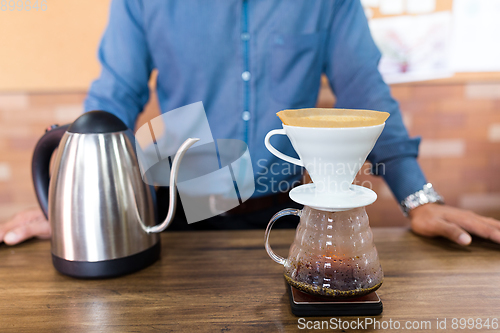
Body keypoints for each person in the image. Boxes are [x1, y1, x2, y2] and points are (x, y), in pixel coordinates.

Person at [1, 0, 499, 246]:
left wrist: (418, 198)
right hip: (172, 207)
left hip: (286, 211)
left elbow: (366, 96)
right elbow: (114, 97)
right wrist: (76, 205)